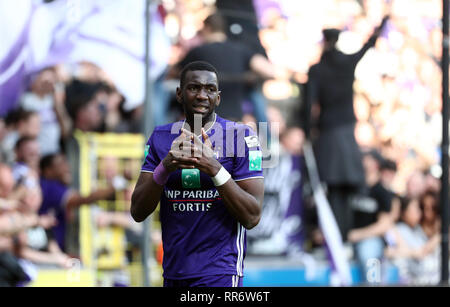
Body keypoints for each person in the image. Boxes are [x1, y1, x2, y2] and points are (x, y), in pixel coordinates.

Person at [131, 61, 264, 287]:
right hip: (174, 273)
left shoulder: (241, 138)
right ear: (180, 94)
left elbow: (252, 216)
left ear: (218, 98)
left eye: (210, 89)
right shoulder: (160, 138)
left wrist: (213, 167)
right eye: (194, 88)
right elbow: (137, 211)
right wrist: (165, 168)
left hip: (220, 272)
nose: (203, 95)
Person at [304, 15, 389, 241]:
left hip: (329, 133)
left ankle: (335, 238)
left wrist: (307, 133)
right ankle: (343, 238)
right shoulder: (346, 63)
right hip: (345, 132)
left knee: (332, 189)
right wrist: (382, 25)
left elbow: (308, 105)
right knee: (345, 190)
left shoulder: (317, 70)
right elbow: (368, 46)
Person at [170, 13, 282, 122]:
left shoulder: (198, 51)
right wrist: (249, 77)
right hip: (233, 120)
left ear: (207, 28)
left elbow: (172, 73)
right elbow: (270, 71)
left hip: (202, 122)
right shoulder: (240, 50)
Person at [39, 152, 117, 253]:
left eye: (65, 162)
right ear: (48, 171)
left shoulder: (55, 186)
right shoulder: (50, 187)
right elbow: (83, 199)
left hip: (56, 251)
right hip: (49, 252)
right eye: (60, 164)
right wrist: (115, 186)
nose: (66, 167)